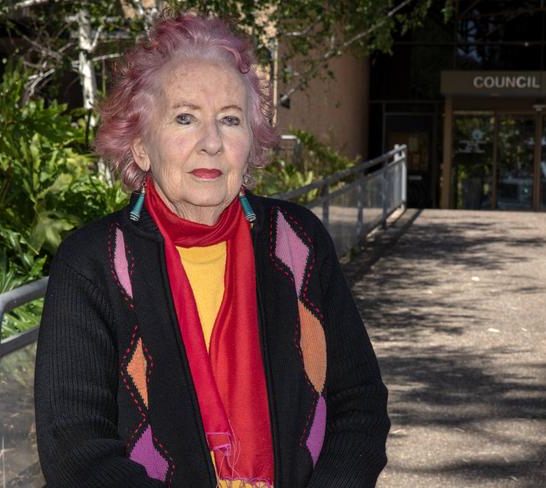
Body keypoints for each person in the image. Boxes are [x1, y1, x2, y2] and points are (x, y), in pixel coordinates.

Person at [35, 13, 389, 488]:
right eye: (185, 118)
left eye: (230, 119)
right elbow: (73, 447)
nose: (211, 143)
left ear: (252, 142)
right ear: (141, 146)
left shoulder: (298, 241)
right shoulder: (93, 261)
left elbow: (360, 403)